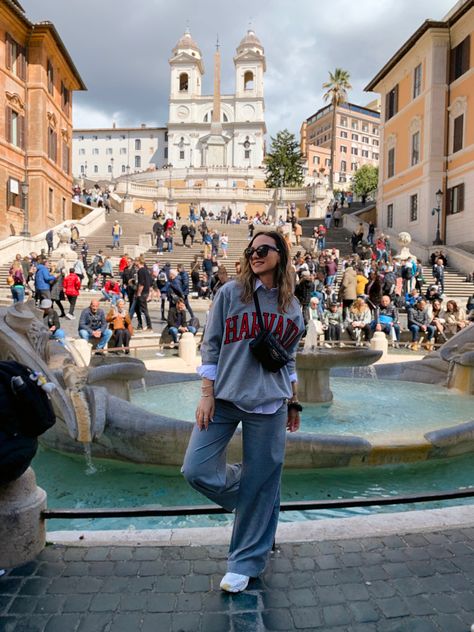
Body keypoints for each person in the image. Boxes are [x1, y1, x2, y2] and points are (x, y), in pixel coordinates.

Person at [182, 231, 304, 594]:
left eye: (263, 250)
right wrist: (207, 393)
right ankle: (257, 495)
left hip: (271, 404)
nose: (255, 255)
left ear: (280, 255)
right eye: (250, 249)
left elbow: (290, 359)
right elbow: (211, 344)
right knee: (197, 468)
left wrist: (294, 401)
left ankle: (245, 562)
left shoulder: (293, 308)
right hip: (224, 399)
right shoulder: (230, 293)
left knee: (263, 480)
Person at [135, 258, 153, 331]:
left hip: (142, 293)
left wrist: (138, 293)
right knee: (138, 309)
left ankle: (149, 326)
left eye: (135, 261)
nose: (134, 263)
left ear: (138, 262)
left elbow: (141, 283)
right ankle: (140, 325)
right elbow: (150, 282)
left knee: (144, 310)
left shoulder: (141, 271)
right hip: (146, 292)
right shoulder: (146, 270)